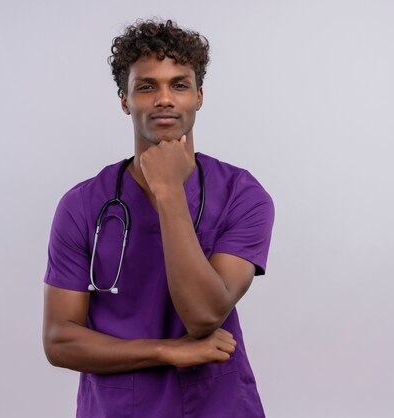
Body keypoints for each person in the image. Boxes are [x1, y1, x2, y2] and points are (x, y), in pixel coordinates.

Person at [42, 19, 274, 418]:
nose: (164, 98)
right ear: (124, 100)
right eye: (146, 86)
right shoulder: (81, 205)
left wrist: (168, 191)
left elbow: (203, 316)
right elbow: (59, 340)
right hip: (117, 409)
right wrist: (168, 351)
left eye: (179, 85)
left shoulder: (243, 195)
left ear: (199, 96)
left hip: (215, 407)